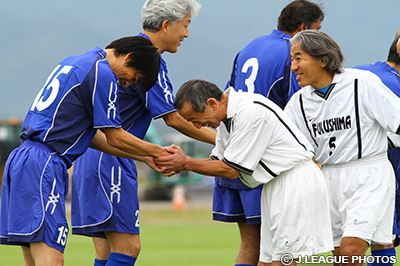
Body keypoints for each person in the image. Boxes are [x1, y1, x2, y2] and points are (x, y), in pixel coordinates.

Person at [0, 36, 173, 266]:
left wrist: (145, 157)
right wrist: (160, 152)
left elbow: (95, 138)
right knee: (52, 259)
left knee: (33, 258)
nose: (129, 84)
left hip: (23, 158)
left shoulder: (76, 61)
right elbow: (115, 135)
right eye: (135, 78)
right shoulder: (103, 73)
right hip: (45, 162)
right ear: (129, 57)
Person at [70, 1, 216, 266]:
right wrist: (224, 141)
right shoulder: (149, 61)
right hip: (111, 157)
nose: (186, 34)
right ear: (166, 25)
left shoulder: (126, 52)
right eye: (186, 26)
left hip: (91, 154)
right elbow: (173, 119)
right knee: (128, 248)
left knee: (106, 252)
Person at [155, 79, 334, 266]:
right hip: (274, 185)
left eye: (195, 119)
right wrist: (180, 162)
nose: (198, 126)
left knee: (282, 261)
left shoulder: (249, 111)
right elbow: (218, 161)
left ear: (211, 103)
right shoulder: (225, 118)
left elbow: (230, 170)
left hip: (295, 182)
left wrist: (185, 163)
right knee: (267, 260)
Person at [219, 1, 324, 265]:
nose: (319, 37)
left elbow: (227, 98)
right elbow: (296, 111)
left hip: (236, 153)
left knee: (251, 246)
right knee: (280, 251)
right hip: (266, 162)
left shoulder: (249, 48)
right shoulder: (293, 54)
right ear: (302, 27)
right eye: (318, 30)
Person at [285, 30, 400, 266]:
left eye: (299, 58)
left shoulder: (361, 83)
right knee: (358, 251)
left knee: (350, 252)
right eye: (292, 59)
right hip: (328, 178)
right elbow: (288, 149)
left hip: (370, 173)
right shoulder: (297, 103)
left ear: (322, 59)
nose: (293, 67)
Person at [353, 34, 400, 266]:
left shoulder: (358, 72)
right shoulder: (393, 84)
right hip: (382, 168)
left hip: (338, 167)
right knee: (383, 241)